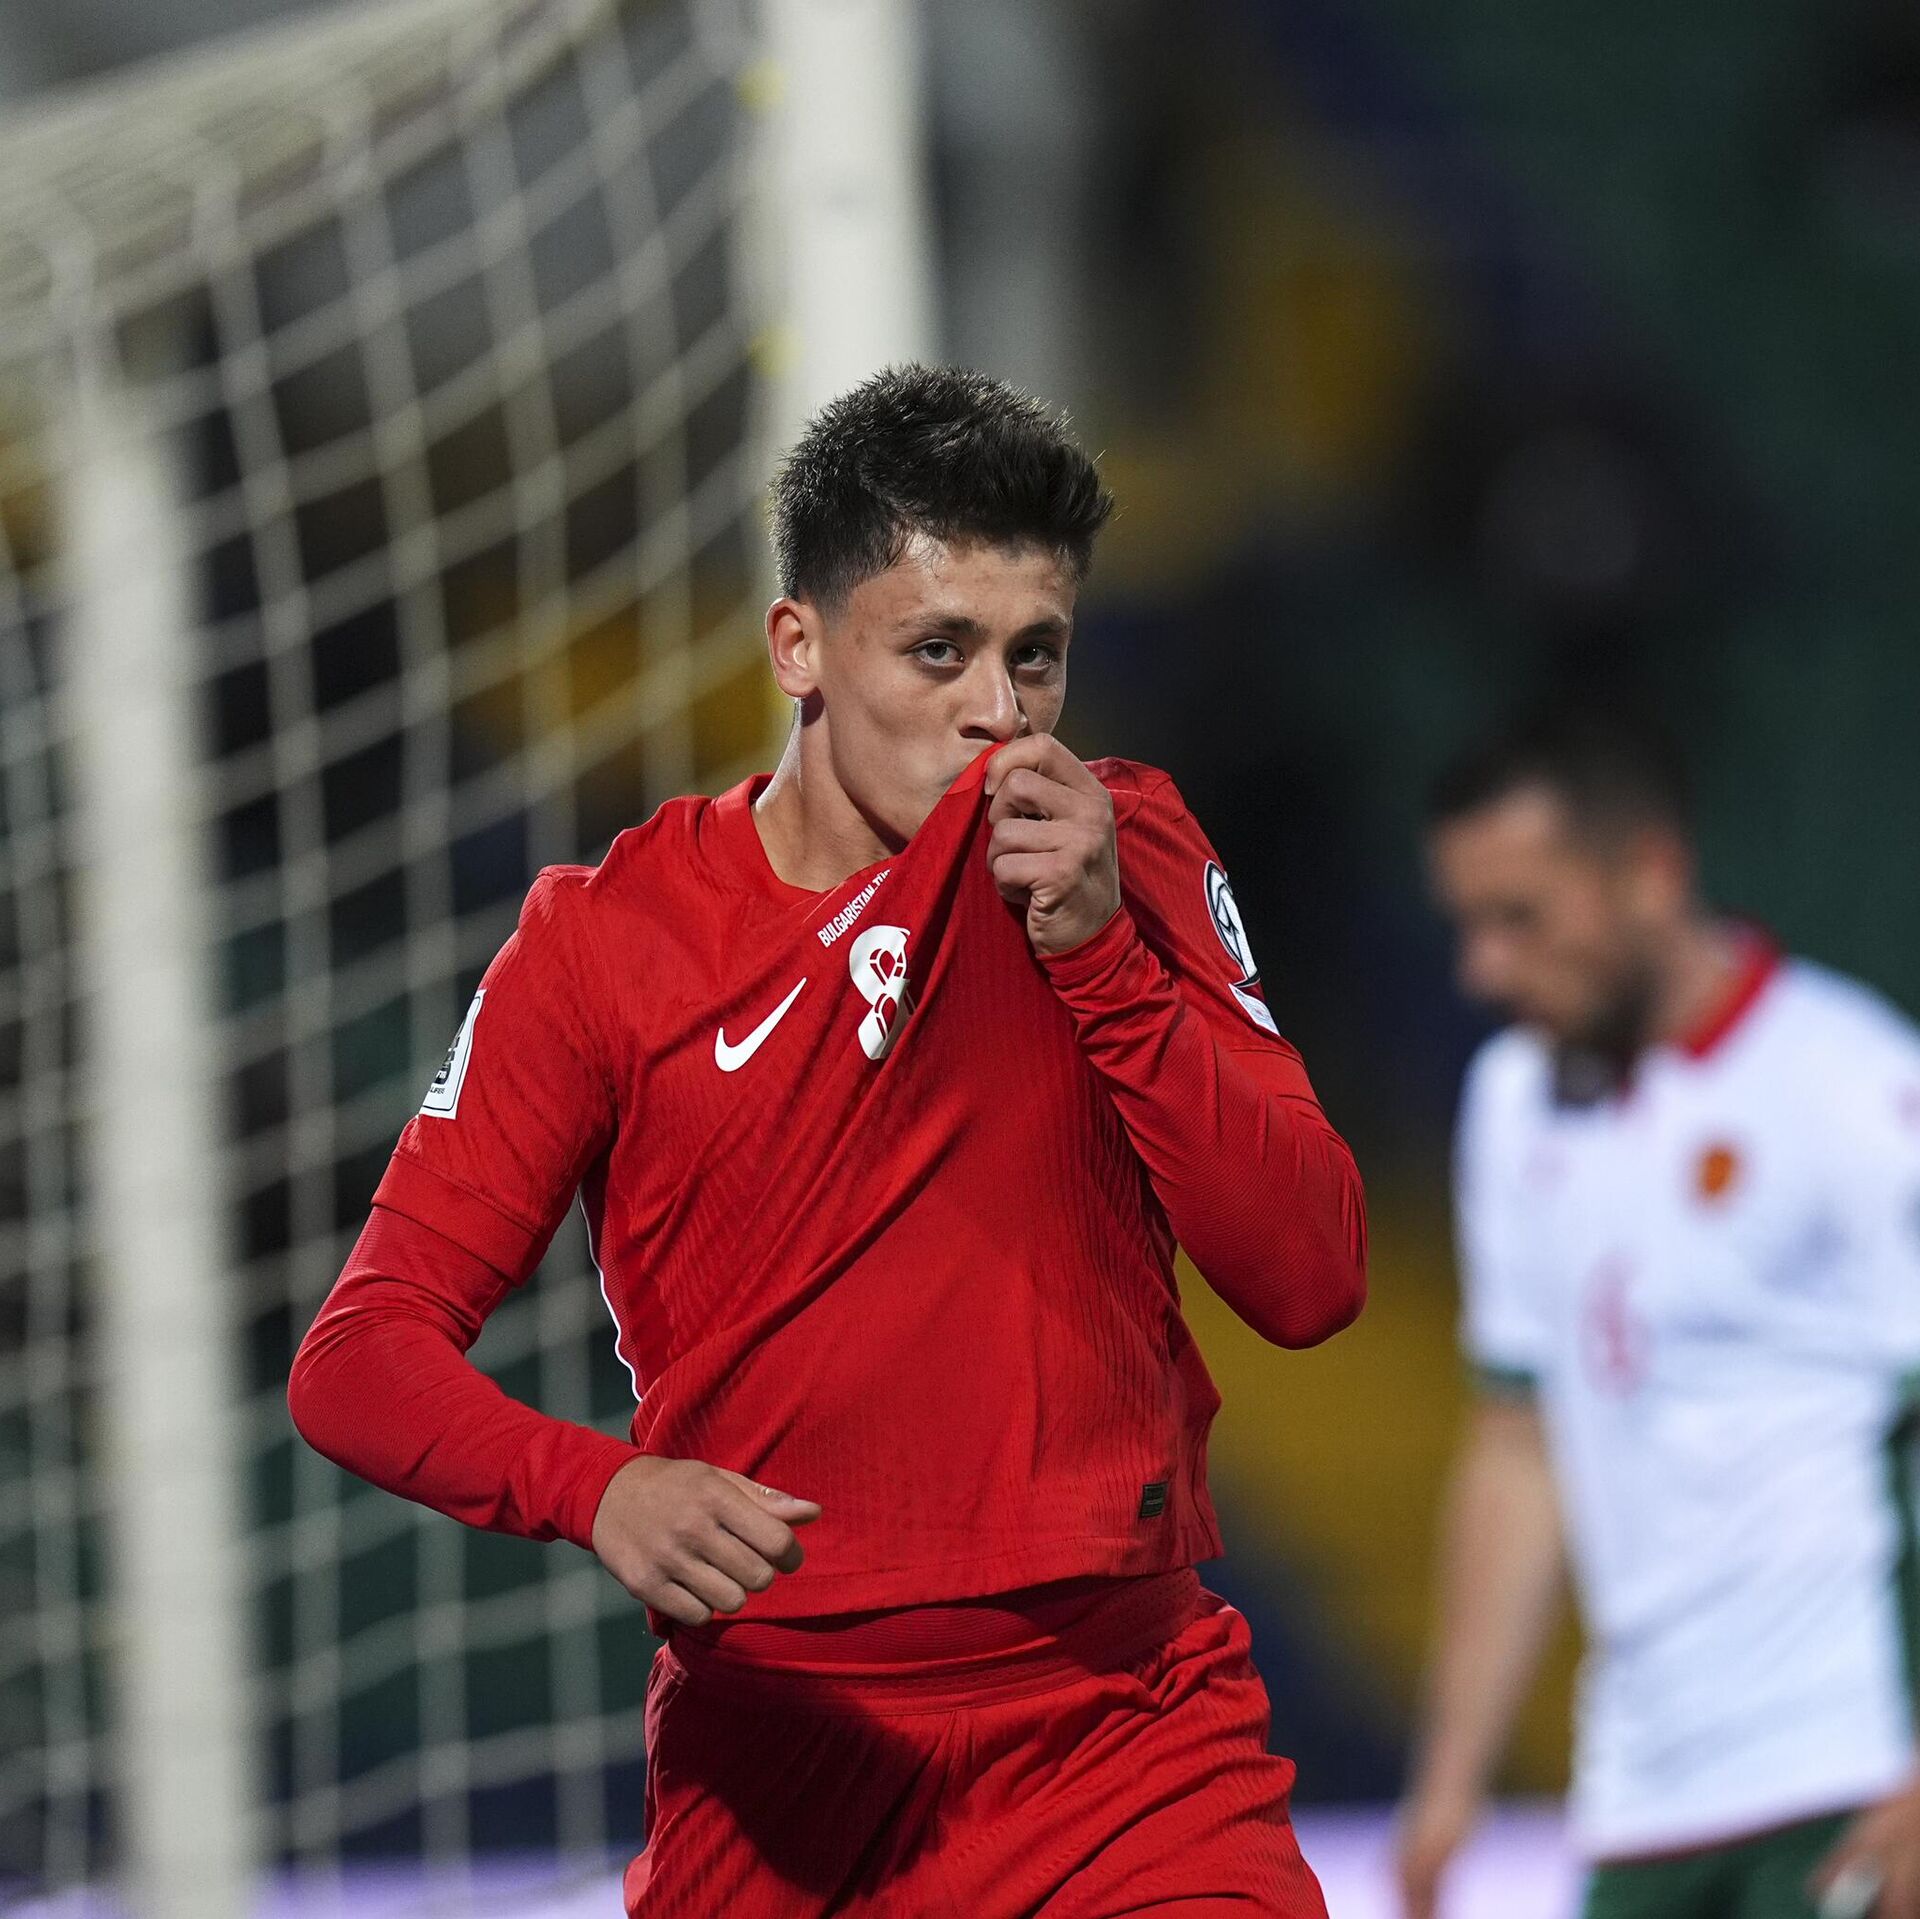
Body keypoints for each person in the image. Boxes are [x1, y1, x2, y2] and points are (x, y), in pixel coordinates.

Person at [288, 363, 1368, 1918]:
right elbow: (360, 1353)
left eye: (1036, 653)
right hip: (779, 1776)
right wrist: (598, 1487)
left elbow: (1312, 1275)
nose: (999, 709)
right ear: (797, 643)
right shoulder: (604, 944)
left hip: (1121, 1746)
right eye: (940, 648)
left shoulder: (1121, 849)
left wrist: (1102, 956)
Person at [1398, 706, 1920, 1919]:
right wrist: (1451, 1774)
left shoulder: (1855, 1087)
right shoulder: (1513, 1104)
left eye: (1521, 917)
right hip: (1641, 1795)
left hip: (1847, 1772)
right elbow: (1519, 1444)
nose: (1483, 967)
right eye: (1467, 923)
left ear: (1649, 873)